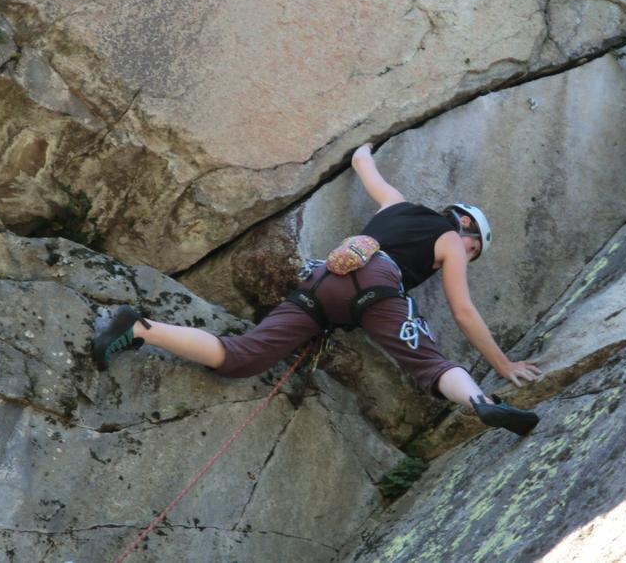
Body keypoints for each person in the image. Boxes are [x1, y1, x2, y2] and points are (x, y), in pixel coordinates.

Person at [92, 144, 542, 435]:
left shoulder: (396, 204)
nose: (468, 255)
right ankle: (482, 402)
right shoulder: (451, 242)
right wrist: (503, 364)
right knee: (429, 363)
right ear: (467, 229)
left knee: (243, 355)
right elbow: (463, 310)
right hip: (377, 285)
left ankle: (142, 329)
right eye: (473, 249)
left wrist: (365, 145)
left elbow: (362, 162)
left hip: (324, 278)